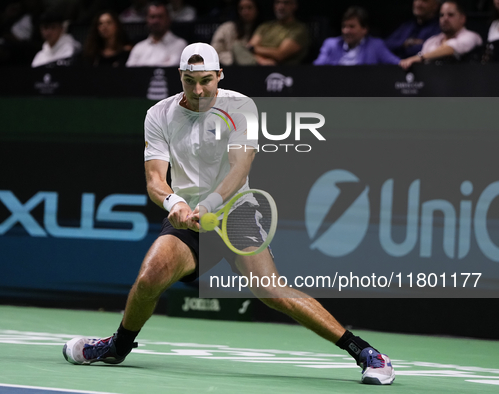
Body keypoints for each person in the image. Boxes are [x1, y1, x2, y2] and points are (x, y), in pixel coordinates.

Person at [62, 42, 396, 386]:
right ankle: (118, 346)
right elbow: (154, 179)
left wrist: (207, 206)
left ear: (220, 75)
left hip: (236, 212)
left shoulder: (239, 106)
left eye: (206, 80)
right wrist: (174, 203)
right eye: (190, 80)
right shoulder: (158, 114)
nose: (199, 89)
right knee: (150, 276)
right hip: (188, 217)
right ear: (180, 76)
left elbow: (240, 168)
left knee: (272, 291)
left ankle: (367, 353)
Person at [400, 0, 482, 69]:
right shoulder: (431, 41)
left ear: (462, 18)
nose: (445, 19)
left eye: (450, 15)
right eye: (442, 15)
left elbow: (451, 48)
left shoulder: (471, 36)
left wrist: (420, 57)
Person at [314, 7, 400, 65]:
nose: (346, 31)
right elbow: (316, 68)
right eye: (344, 26)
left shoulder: (376, 46)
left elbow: (398, 63)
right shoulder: (331, 44)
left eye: (352, 26)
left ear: (364, 29)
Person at [233, 0, 310, 65]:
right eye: (277, 3)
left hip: (281, 70)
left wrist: (253, 49)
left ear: (294, 5)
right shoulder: (265, 26)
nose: (281, 7)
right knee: (237, 46)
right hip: (258, 65)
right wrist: (261, 61)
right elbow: (250, 46)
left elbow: (280, 54)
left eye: (286, 3)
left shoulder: (299, 29)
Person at [125, 2, 188, 67]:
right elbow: (129, 71)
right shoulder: (138, 47)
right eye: (152, 17)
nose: (156, 21)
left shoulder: (180, 45)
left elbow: (172, 69)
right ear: (147, 20)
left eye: (160, 17)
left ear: (168, 19)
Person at [211, 0, 263, 65]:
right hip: (230, 69)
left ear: (257, 9)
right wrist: (234, 58)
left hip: (259, 68)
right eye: (241, 8)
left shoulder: (264, 28)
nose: (245, 12)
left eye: (249, 7)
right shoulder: (226, 28)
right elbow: (214, 52)